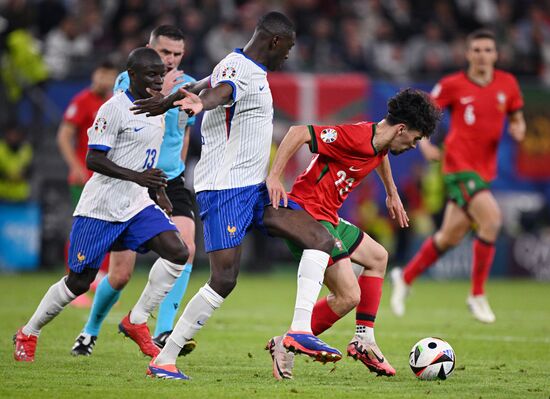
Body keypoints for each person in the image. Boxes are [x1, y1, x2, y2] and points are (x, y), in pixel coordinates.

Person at [131, 12, 342, 380]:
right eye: (288, 48)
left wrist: (168, 103)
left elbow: (204, 83)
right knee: (223, 280)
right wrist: (202, 104)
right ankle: (165, 359)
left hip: (253, 188)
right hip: (225, 190)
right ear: (275, 41)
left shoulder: (236, 64)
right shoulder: (240, 69)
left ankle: (300, 331)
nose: (288, 56)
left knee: (320, 238)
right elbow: (218, 92)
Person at [13, 47, 189, 362]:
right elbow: (94, 159)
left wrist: (158, 192)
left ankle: (137, 321)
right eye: (151, 74)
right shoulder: (113, 109)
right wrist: (139, 177)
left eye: (161, 75)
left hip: (136, 204)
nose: (159, 81)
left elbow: (147, 158)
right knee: (78, 282)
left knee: (178, 252)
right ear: (132, 75)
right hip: (102, 207)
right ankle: (30, 331)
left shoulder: (156, 110)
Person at [265, 88, 441, 379]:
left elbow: (379, 154)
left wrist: (391, 192)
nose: (415, 144)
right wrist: (274, 176)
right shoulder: (355, 136)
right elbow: (299, 132)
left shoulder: (378, 139)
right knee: (348, 296)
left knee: (378, 257)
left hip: (328, 217)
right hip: (307, 216)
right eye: (417, 137)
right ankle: (285, 343)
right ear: (401, 129)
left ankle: (364, 339)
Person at [70, 25, 198, 359]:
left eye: (176, 55)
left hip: (168, 178)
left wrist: (178, 169)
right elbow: (143, 110)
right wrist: (167, 95)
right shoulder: (129, 81)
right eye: (164, 53)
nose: (169, 61)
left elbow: (182, 133)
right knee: (121, 274)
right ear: (149, 49)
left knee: (186, 246)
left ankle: (164, 329)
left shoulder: (188, 85)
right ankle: (90, 330)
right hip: (131, 180)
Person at [390, 29, 526, 323]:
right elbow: (423, 115)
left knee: (449, 237)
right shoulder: (453, 84)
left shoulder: (508, 83)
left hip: (484, 171)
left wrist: (519, 127)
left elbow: (516, 115)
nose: (482, 55)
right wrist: (424, 144)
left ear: (496, 54)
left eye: (487, 50)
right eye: (476, 50)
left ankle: (405, 276)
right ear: (467, 54)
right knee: (492, 219)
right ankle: (477, 294)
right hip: (457, 165)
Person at [57, 60, 119, 307]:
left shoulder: (115, 101)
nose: (106, 79)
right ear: (95, 74)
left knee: (109, 228)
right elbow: (64, 135)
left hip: (108, 177)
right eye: (103, 74)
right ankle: (71, 278)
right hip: (85, 177)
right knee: (81, 228)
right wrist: (75, 166)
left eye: (110, 75)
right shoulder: (83, 100)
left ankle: (99, 277)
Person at [0, 124, 33, 202]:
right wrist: (7, 176)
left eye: (15, 134)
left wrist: (23, 174)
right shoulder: (1, 148)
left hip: (20, 195)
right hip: (2, 194)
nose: (13, 137)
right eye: (11, 134)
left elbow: (30, 170)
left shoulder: (26, 149)